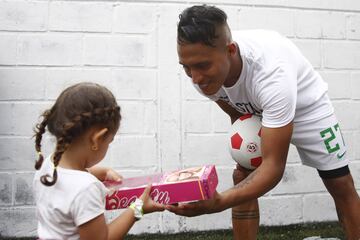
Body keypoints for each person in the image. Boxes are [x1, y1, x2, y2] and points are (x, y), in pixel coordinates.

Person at [166, 5, 360, 240]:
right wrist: (248, 160)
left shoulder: (271, 74)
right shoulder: (203, 75)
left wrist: (218, 203)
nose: (195, 78)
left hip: (307, 107)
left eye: (202, 66)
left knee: (340, 183)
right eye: (186, 67)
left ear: (230, 50)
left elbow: (273, 168)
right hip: (260, 106)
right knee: (243, 178)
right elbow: (239, 117)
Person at [33, 82, 164, 239]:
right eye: (109, 141)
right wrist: (138, 208)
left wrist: (103, 172)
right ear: (97, 139)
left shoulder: (49, 165)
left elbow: (71, 178)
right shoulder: (86, 189)